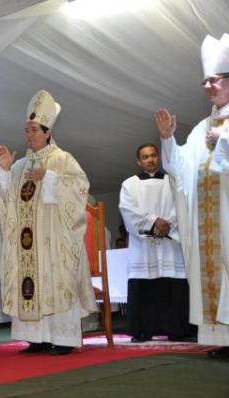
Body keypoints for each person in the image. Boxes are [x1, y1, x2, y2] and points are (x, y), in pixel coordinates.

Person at [0, 89, 97, 355]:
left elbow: (80, 188)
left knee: (55, 279)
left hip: (54, 241)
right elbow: (7, 204)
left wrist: (49, 177)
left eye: (34, 130)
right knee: (31, 281)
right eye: (26, 130)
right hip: (27, 242)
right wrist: (5, 172)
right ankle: (36, 337)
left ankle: (63, 339)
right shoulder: (18, 166)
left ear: (47, 132)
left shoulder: (62, 159)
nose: (29, 135)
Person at [155, 33, 229, 357]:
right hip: (208, 225)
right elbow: (180, 169)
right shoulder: (202, 128)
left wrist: (224, 141)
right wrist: (169, 140)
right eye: (206, 82)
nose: (208, 87)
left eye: (215, 80)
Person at [119, 143, 193, 342]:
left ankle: (177, 330)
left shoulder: (173, 181)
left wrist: (167, 224)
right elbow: (127, 210)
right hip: (144, 247)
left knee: (173, 287)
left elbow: (183, 207)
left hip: (170, 244)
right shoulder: (129, 184)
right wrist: (154, 223)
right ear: (138, 161)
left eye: (153, 155)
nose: (150, 159)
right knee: (145, 286)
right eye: (145, 157)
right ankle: (142, 330)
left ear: (158, 157)